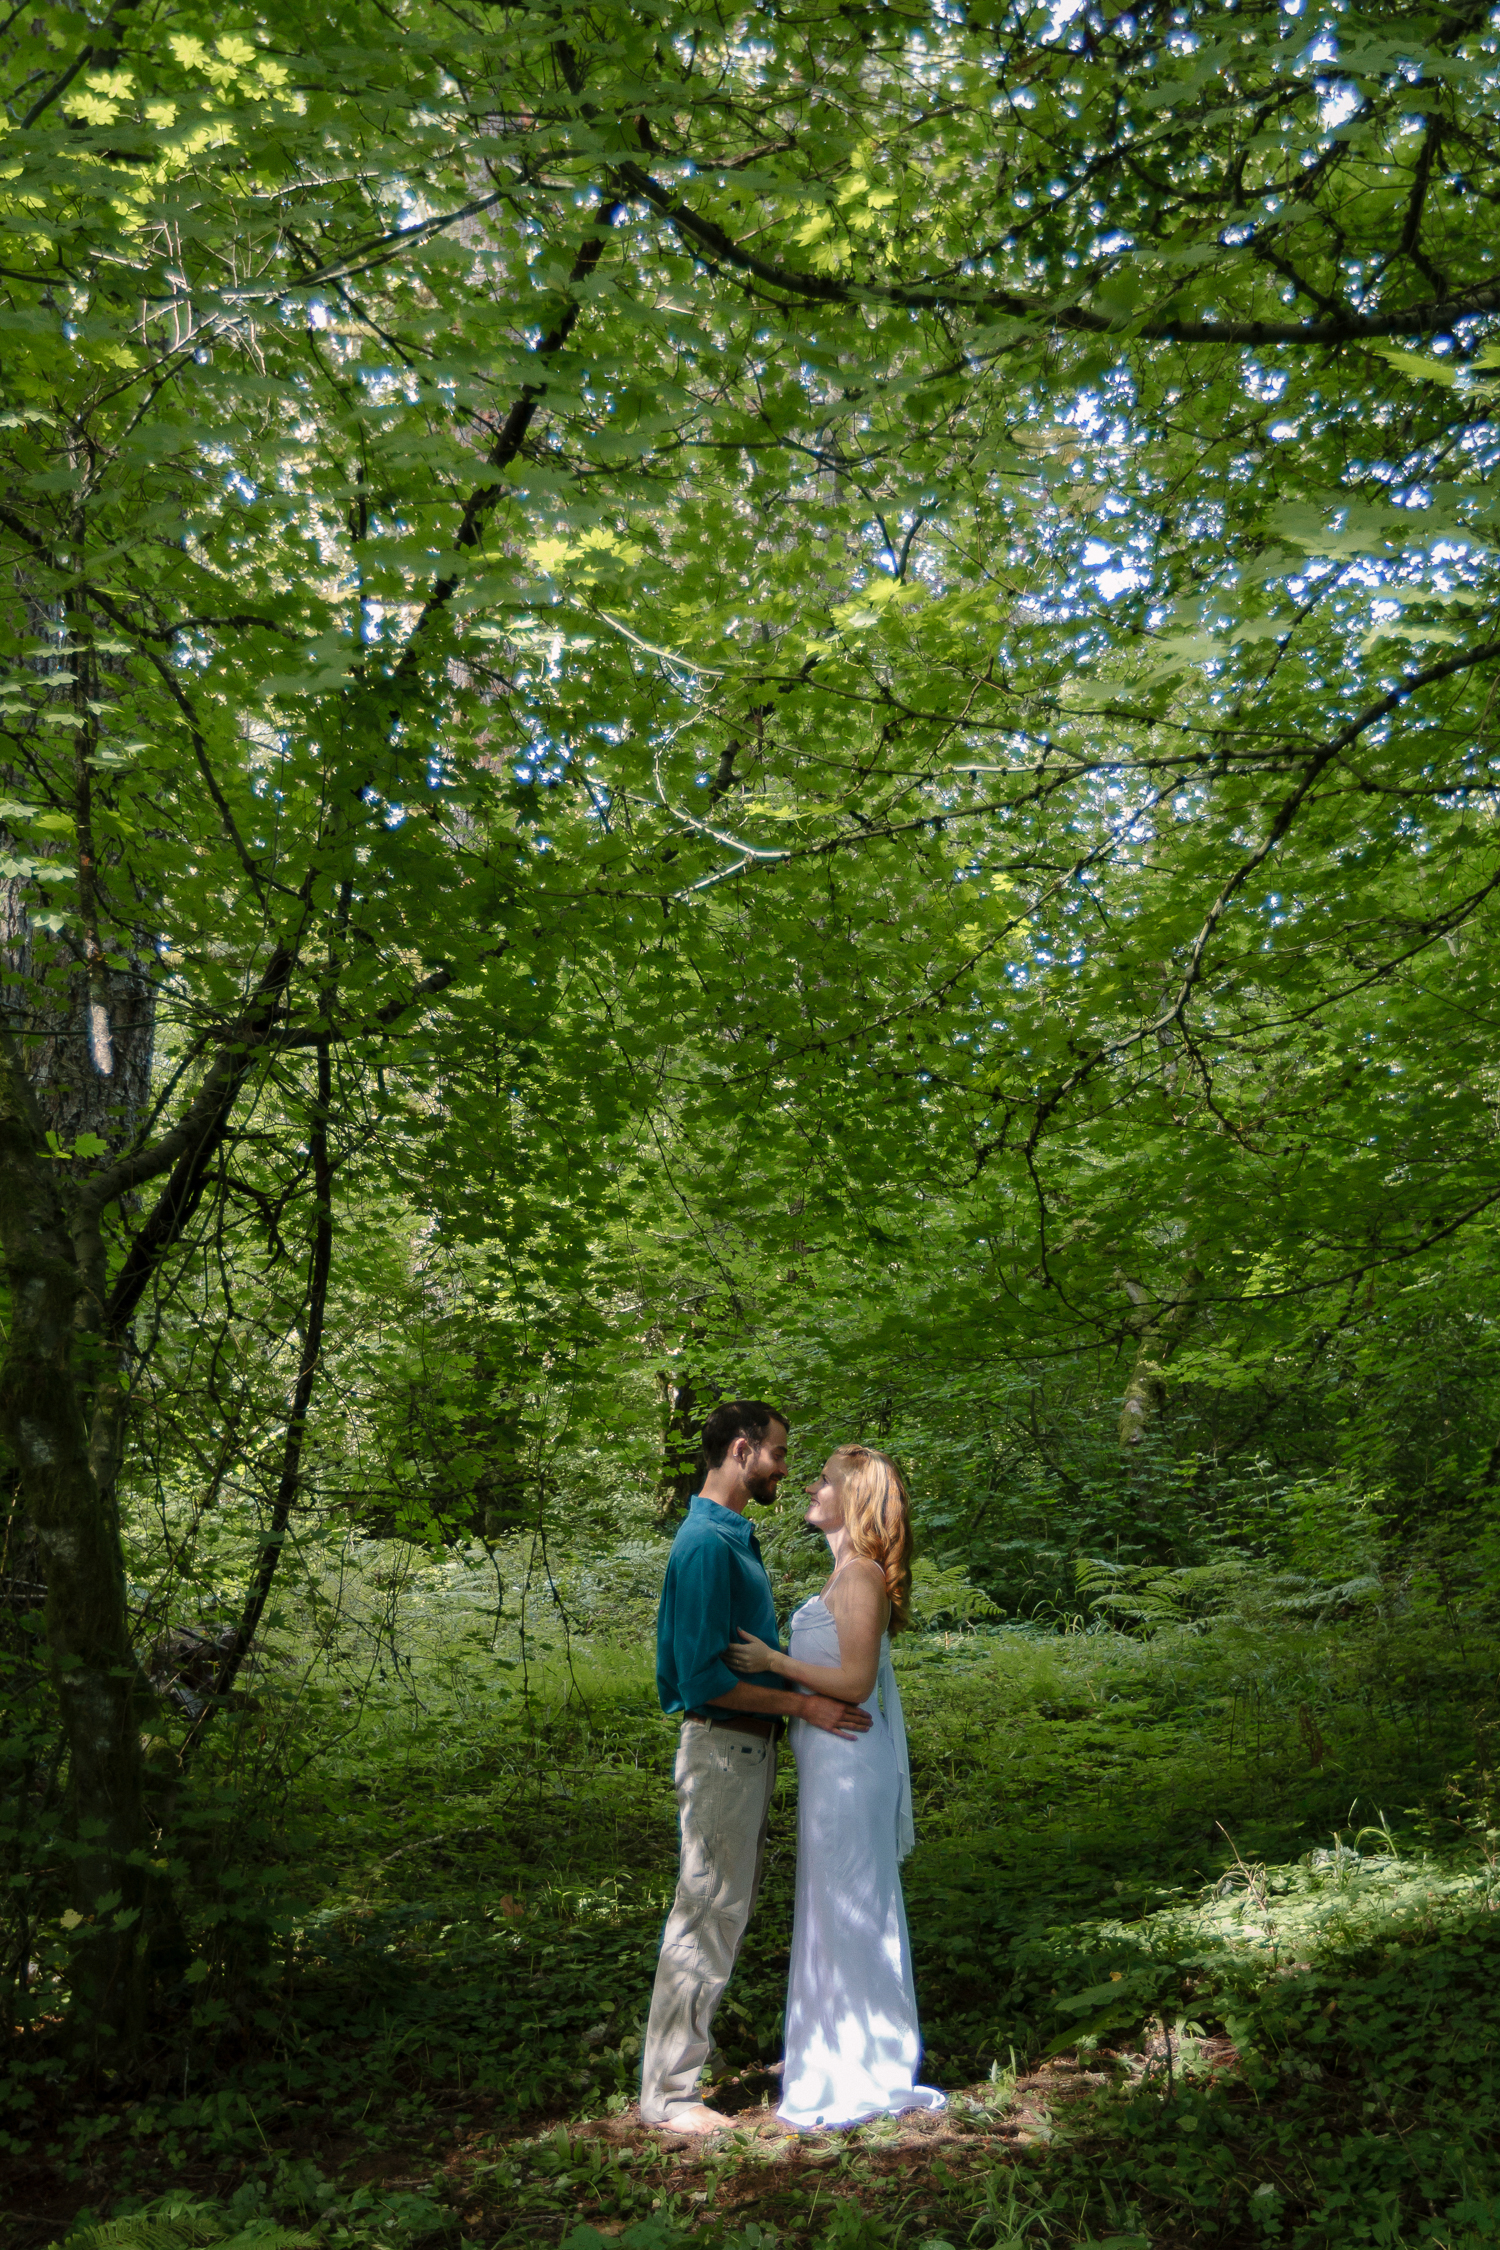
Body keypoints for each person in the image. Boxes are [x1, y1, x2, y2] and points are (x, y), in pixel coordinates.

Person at [639, 1401, 874, 2135]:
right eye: (777, 1453)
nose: (784, 1469)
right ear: (742, 1451)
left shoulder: (731, 1537)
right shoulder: (707, 1544)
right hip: (721, 1747)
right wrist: (802, 1707)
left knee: (721, 1910)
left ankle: (676, 2084)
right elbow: (704, 1679)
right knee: (706, 1911)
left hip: (745, 1750)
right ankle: (670, 2097)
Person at [724, 1445, 945, 2131]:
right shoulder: (846, 1576)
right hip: (831, 1770)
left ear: (853, 1499)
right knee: (830, 1908)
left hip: (851, 1769)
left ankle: (867, 2068)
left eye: (824, 1480)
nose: (810, 1487)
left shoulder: (861, 1579)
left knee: (853, 1907)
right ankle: (830, 2055)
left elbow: (854, 1683)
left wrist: (771, 1660)